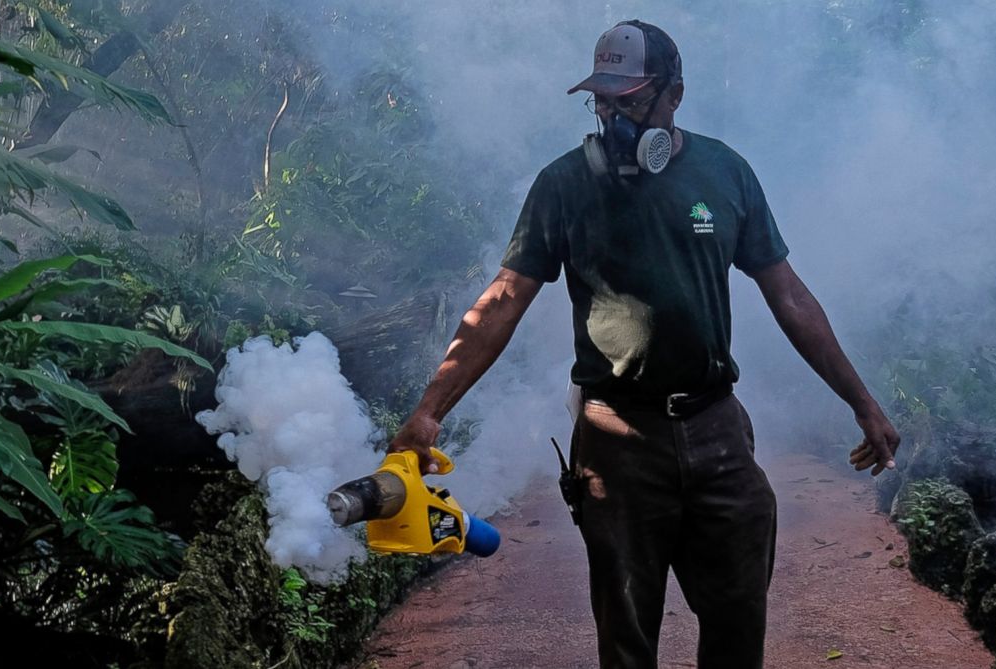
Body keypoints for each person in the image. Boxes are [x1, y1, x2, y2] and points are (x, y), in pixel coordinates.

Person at [386, 19, 901, 669]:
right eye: (602, 99)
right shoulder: (565, 184)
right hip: (616, 440)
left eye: (628, 99)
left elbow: (789, 296)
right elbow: (503, 301)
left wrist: (863, 403)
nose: (612, 115)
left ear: (674, 95)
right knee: (626, 635)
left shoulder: (724, 172)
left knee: (739, 615)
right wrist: (433, 407)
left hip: (717, 430)